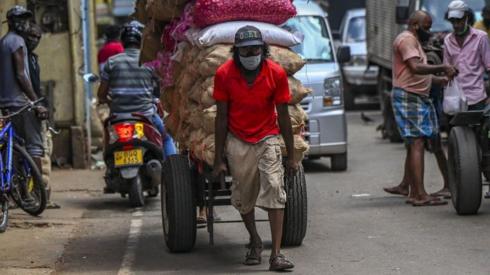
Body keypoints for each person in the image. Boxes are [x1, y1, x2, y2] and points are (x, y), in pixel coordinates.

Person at [212, 26, 297, 271]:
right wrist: (218, 159)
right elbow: (221, 117)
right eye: (245, 50)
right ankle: (255, 239)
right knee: (243, 196)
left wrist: (291, 155)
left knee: (274, 187)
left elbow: (283, 116)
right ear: (236, 52)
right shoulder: (224, 74)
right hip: (238, 138)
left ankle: (276, 255)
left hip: (267, 137)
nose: (251, 54)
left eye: (255, 49)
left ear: (263, 49)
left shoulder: (276, 73)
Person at [383, 11, 457, 206]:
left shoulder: (415, 41)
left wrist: (440, 80)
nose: (429, 31)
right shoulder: (406, 40)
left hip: (420, 98)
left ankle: (416, 187)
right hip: (410, 97)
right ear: (415, 25)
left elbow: (417, 75)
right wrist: (442, 67)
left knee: (429, 142)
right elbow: (415, 68)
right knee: (416, 143)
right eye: (426, 27)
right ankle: (419, 194)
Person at [97, 21, 177, 160]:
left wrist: (108, 101)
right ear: (141, 41)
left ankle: (109, 163)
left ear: (123, 41)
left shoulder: (112, 62)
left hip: (118, 117)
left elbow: (101, 94)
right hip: (146, 116)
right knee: (167, 137)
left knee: (108, 139)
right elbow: (158, 88)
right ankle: (172, 173)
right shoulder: (149, 62)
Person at [0, 6, 48, 206]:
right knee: (34, 147)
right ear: (11, 22)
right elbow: (21, 74)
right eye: (21, 19)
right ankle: (37, 192)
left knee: (13, 148)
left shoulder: (3, 42)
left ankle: (20, 194)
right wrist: (36, 102)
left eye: (26, 19)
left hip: (5, 104)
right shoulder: (18, 42)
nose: (24, 23)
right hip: (21, 103)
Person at [24, 23, 60, 209]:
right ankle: (39, 194)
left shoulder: (32, 59)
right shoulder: (21, 58)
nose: (34, 40)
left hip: (35, 108)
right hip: (28, 108)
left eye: (38, 37)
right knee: (40, 152)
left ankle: (41, 194)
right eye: (31, 36)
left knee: (43, 152)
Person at [444, 0, 490, 111]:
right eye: (452, 21)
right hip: (455, 99)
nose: (456, 25)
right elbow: (446, 68)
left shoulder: (481, 37)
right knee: (456, 128)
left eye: (459, 20)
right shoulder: (447, 40)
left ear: (467, 18)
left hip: (476, 97)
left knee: (477, 127)